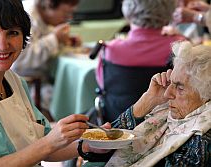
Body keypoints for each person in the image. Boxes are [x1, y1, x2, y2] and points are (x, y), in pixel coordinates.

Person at [0, 0, 90, 166]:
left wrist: (91, 145)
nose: (2, 45)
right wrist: (49, 142)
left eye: (12, 33)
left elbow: (43, 145)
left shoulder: (13, 80)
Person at [79, 41, 211, 166]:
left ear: (207, 96)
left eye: (180, 88)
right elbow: (98, 150)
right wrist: (148, 100)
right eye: (171, 82)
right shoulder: (164, 113)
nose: (167, 94)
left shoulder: (202, 137)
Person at [94, 0, 185, 122]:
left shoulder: (110, 49)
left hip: (116, 121)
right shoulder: (179, 47)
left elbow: (103, 86)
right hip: (163, 123)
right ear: (169, 12)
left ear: (128, 11)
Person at [12, 0, 81, 111]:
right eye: (66, 13)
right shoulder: (27, 16)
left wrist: (66, 41)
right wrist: (55, 39)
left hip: (43, 78)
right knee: (71, 93)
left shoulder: (46, 19)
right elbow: (19, 60)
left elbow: (41, 42)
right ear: (49, 4)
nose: (69, 18)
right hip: (27, 83)